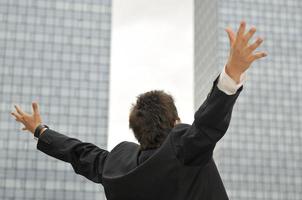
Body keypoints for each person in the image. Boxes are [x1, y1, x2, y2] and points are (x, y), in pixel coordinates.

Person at [11, 21, 267, 200]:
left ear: (137, 132)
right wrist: (233, 71)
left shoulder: (117, 167)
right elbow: (208, 122)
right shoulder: (184, 148)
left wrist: (40, 131)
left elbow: (78, 153)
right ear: (176, 122)